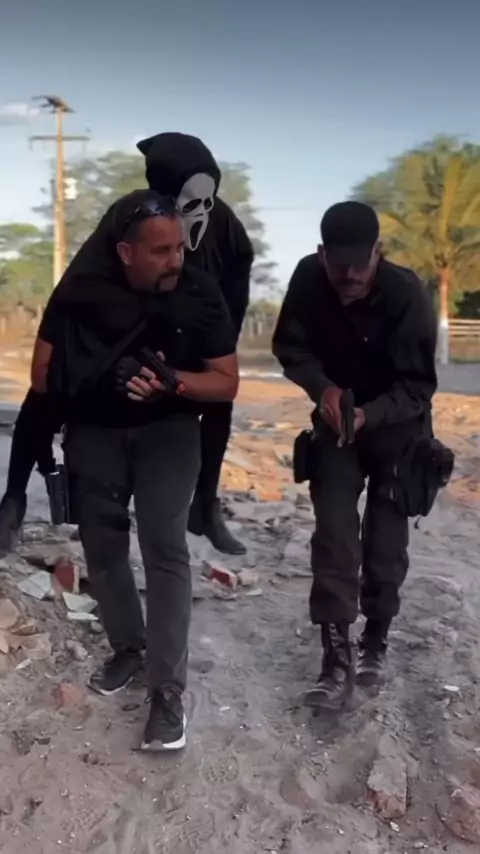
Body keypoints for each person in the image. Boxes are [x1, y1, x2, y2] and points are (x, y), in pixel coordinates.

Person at [32, 190, 239, 750]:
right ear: (125, 252)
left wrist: (174, 383)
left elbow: (226, 381)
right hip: (95, 434)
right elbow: (42, 373)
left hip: (170, 432)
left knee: (164, 548)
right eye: (160, 251)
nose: (176, 260)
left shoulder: (198, 291)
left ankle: (167, 692)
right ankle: (128, 647)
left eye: (179, 247)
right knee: (102, 548)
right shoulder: (80, 290)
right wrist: (105, 376)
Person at [0, 132, 252, 557]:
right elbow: (76, 292)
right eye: (189, 204)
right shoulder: (135, 219)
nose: (201, 216)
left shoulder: (226, 228)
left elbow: (233, 291)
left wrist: (207, 349)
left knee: (217, 398)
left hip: (187, 334)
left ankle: (205, 505)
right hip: (118, 332)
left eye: (208, 202)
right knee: (47, 387)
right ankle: (14, 497)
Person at [272, 201, 438, 710]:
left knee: (385, 545)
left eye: (359, 265)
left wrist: (371, 413)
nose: (349, 276)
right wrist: (322, 389)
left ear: (378, 253)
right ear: (321, 254)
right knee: (335, 537)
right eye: (338, 264)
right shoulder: (307, 279)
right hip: (335, 423)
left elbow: (418, 387)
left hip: (397, 427)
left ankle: (375, 642)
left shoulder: (406, 293)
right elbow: (290, 348)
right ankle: (335, 661)